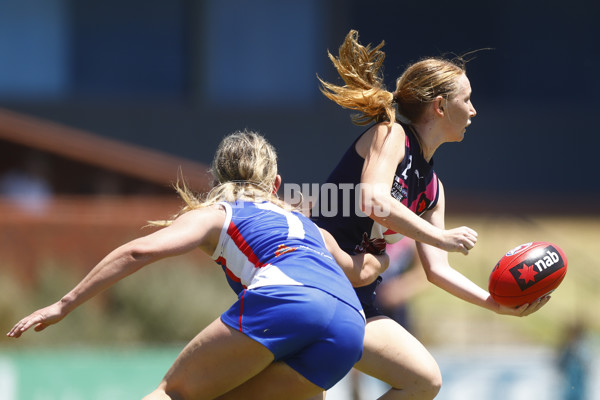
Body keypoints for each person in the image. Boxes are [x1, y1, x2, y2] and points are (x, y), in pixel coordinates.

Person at [7, 130, 389, 400]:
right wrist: (389, 249)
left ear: (217, 179)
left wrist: (64, 304)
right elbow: (361, 272)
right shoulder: (310, 227)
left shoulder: (218, 213)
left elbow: (138, 252)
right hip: (348, 323)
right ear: (275, 184)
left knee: (172, 393)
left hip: (288, 299)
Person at [312, 30, 550, 399]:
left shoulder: (434, 190)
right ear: (439, 106)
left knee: (425, 381)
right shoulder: (391, 135)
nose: (473, 110)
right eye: (467, 100)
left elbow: (438, 271)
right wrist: (439, 236)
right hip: (318, 277)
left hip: (358, 295)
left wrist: (497, 305)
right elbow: (372, 198)